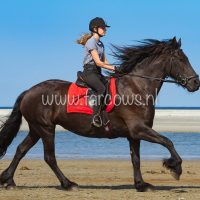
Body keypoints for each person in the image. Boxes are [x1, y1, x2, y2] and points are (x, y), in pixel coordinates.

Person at [77, 17, 116, 127]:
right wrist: (113, 69)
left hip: (97, 72)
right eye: (103, 28)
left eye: (105, 28)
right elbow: (98, 62)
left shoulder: (101, 44)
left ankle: (106, 113)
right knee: (101, 89)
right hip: (89, 72)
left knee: (109, 86)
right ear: (95, 29)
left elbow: (105, 62)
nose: (105, 30)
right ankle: (95, 117)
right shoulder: (91, 42)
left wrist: (117, 68)